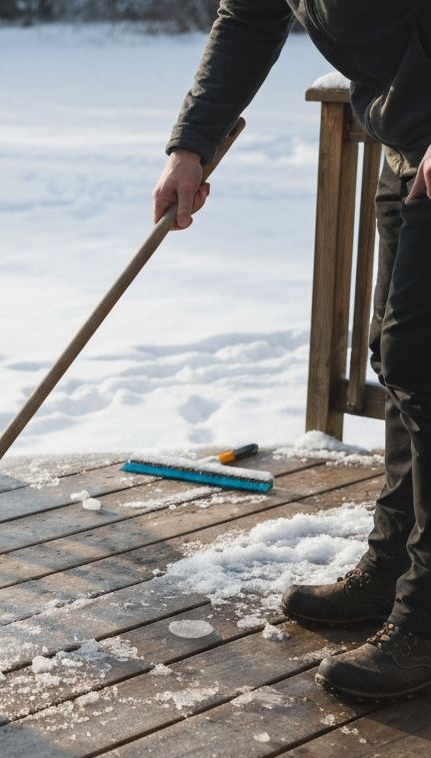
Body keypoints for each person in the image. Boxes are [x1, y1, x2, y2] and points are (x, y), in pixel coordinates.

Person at [153, 0, 431, 702]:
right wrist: (192, 146)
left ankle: (426, 620)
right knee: (399, 362)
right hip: (409, 139)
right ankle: (394, 565)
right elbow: (248, 19)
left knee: (423, 365)